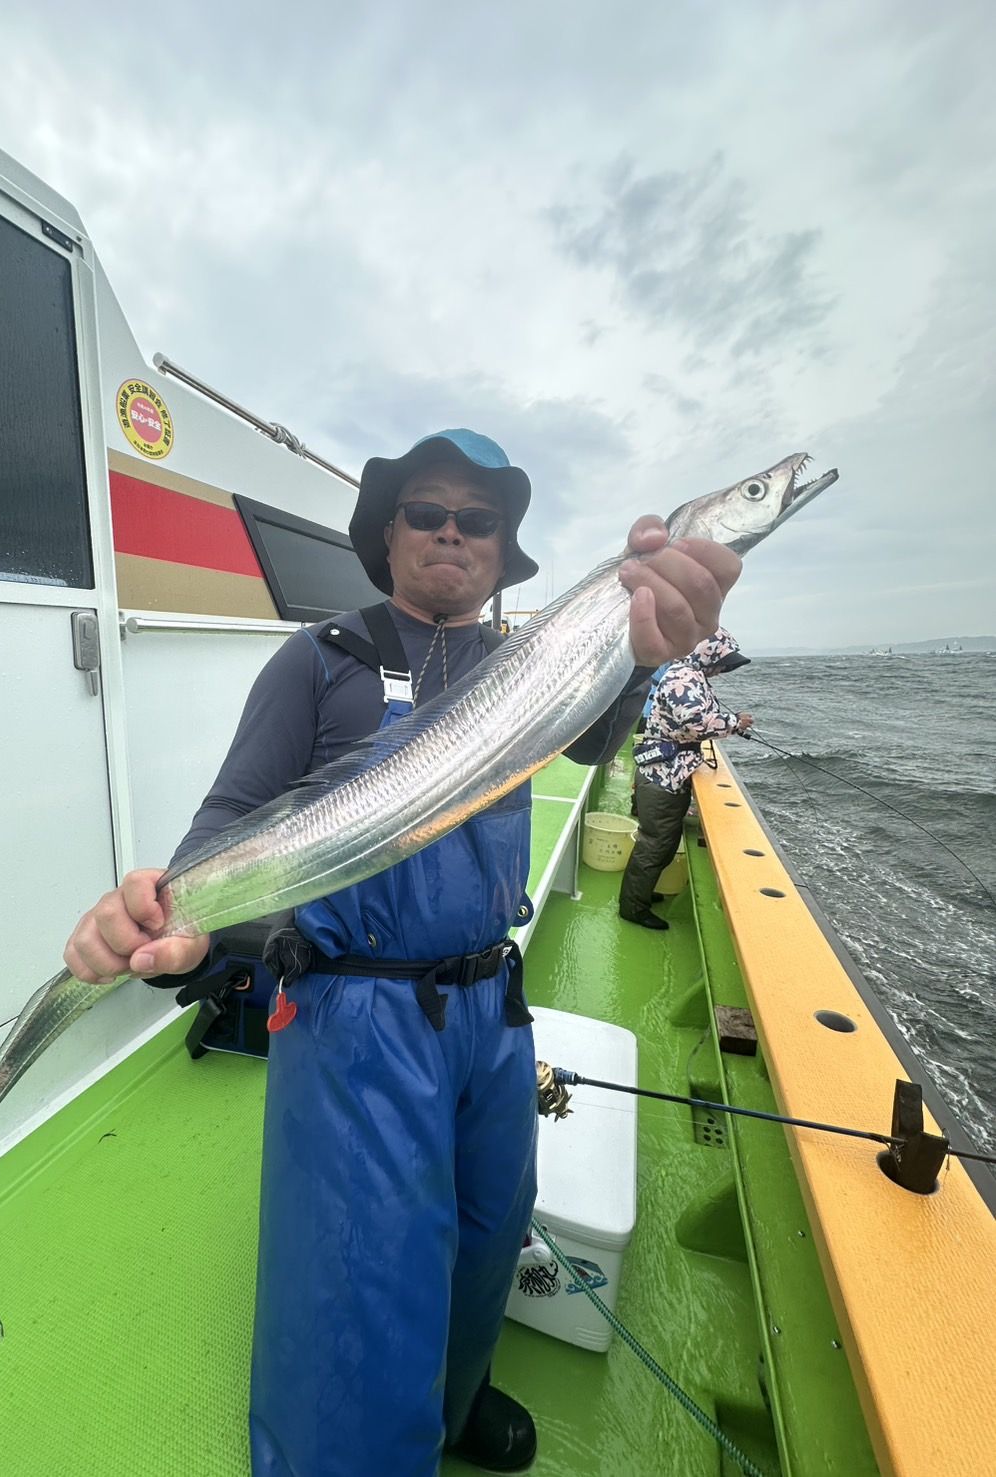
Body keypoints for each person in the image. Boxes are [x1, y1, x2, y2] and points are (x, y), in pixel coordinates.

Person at [63, 430, 741, 1477]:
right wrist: (185, 917)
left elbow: (595, 739)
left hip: (490, 1007)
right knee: (363, 1273)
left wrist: (642, 656)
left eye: (479, 520)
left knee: (486, 1232)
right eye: (427, 512)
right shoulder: (319, 661)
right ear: (388, 535)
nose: (451, 533)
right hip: (354, 1018)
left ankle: (455, 1398)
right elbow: (232, 815)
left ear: (502, 550)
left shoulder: (533, 665)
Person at [619, 627, 752, 931]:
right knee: (655, 845)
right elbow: (694, 723)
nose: (721, 669)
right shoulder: (683, 677)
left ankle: (639, 894)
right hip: (662, 779)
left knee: (662, 845)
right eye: (721, 662)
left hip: (668, 775)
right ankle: (632, 908)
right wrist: (735, 722)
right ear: (708, 655)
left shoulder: (690, 675)